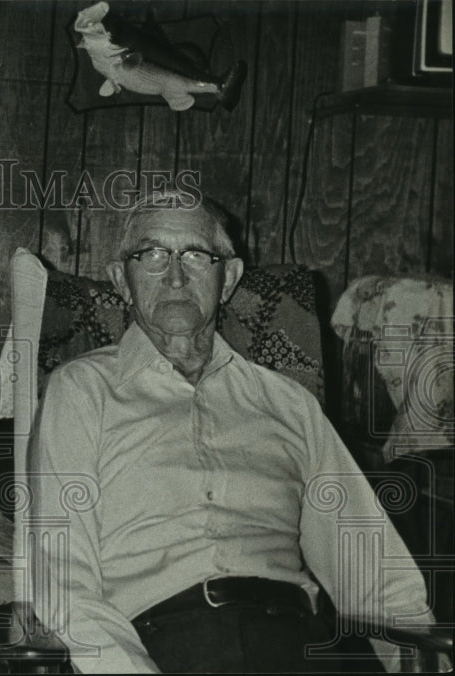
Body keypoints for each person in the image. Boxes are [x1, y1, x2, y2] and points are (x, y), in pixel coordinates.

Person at [30, 189, 439, 673]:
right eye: (153, 254)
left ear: (229, 280)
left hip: (303, 644)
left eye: (197, 256)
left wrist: (425, 660)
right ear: (122, 278)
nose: (176, 275)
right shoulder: (80, 391)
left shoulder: (288, 403)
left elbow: (370, 568)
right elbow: (62, 576)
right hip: (163, 645)